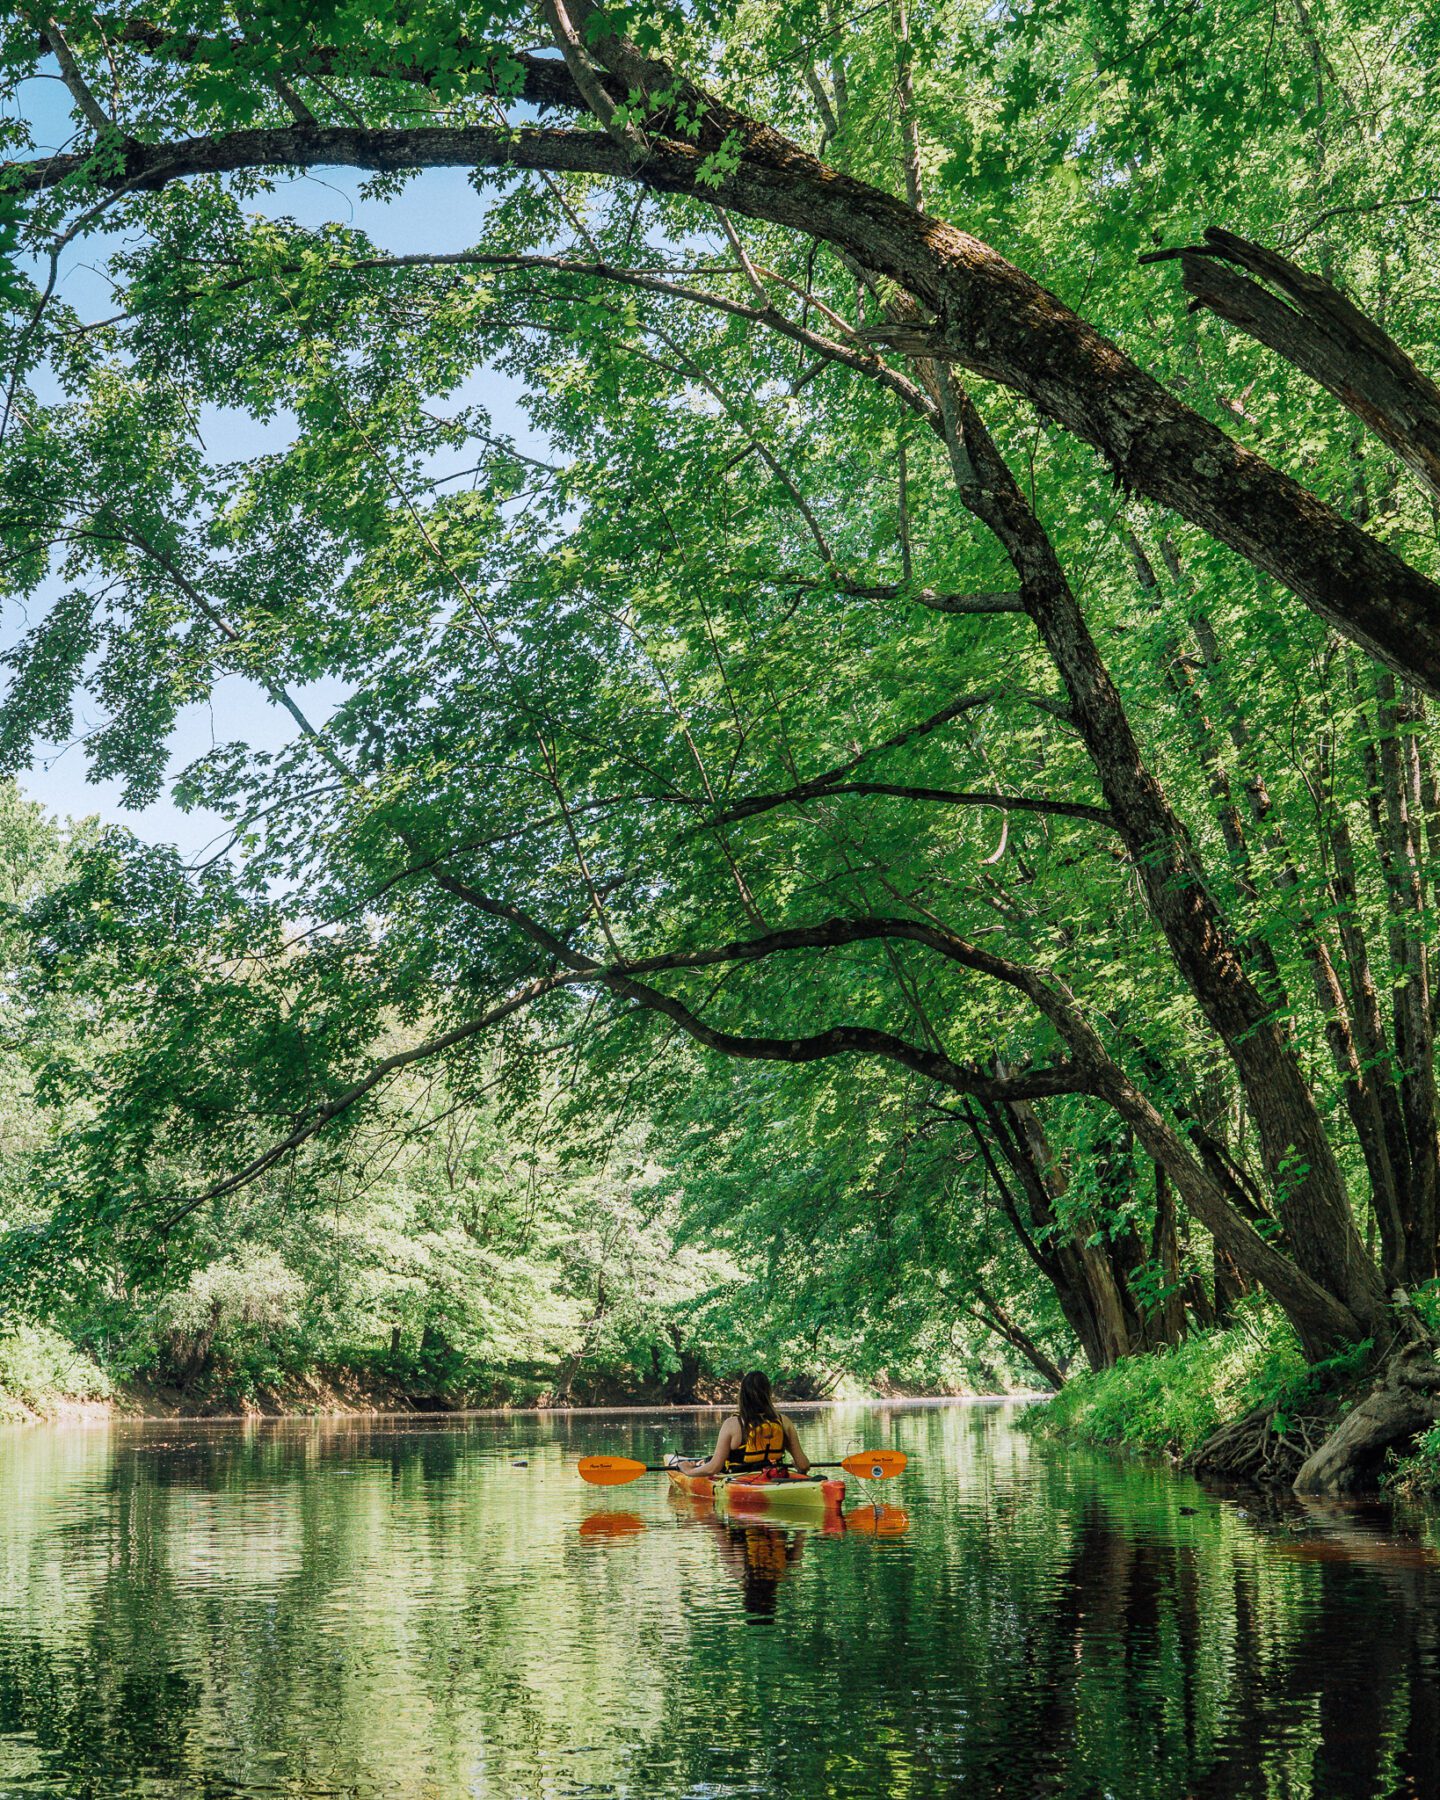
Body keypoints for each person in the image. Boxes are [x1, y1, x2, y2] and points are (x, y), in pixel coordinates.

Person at [672, 1370, 811, 1477]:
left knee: (709, 1461)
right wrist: (797, 1467)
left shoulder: (733, 1424)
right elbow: (803, 1465)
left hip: (741, 1479)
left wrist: (687, 1470)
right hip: (773, 1477)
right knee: (708, 1460)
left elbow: (714, 1467)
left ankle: (696, 1464)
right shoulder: (783, 1421)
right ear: (768, 1393)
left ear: (742, 1395)